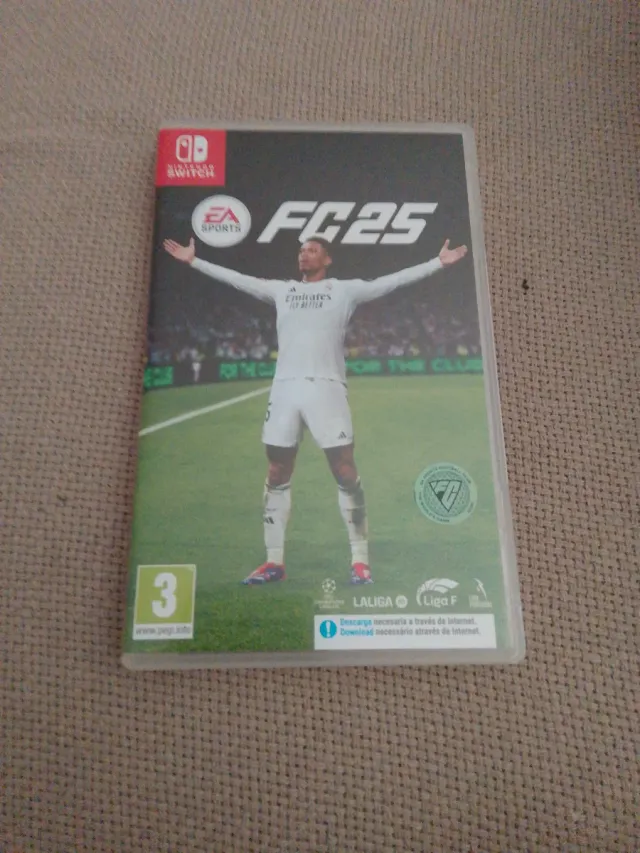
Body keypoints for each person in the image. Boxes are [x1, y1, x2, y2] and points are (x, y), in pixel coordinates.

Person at [163, 234, 467, 585]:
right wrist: (194, 261)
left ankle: (359, 561)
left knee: (345, 470)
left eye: (312, 250)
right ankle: (274, 562)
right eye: (301, 250)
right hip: (284, 389)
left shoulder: (343, 290)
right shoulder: (283, 290)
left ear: (327, 259)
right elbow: (239, 280)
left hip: (327, 387)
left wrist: (436, 263)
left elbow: (391, 282)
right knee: (277, 470)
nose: (303, 255)